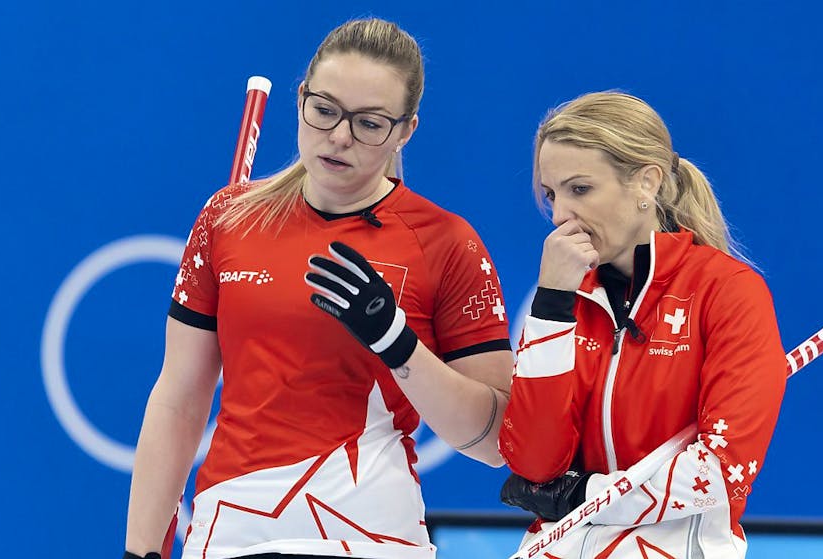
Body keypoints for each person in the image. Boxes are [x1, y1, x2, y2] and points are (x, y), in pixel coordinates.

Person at [123, 17, 513, 559]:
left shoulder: (446, 242)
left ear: (406, 131)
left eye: (369, 123)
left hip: (369, 540)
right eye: (325, 110)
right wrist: (140, 550)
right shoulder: (227, 218)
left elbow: (495, 442)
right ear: (302, 97)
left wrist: (399, 345)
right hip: (229, 535)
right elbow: (179, 399)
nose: (340, 137)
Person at [497, 92, 786, 558]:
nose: (559, 215)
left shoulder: (728, 290)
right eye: (551, 195)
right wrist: (550, 306)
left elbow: (720, 471)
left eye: (579, 189)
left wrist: (583, 495)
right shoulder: (565, 299)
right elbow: (534, 463)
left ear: (646, 183)